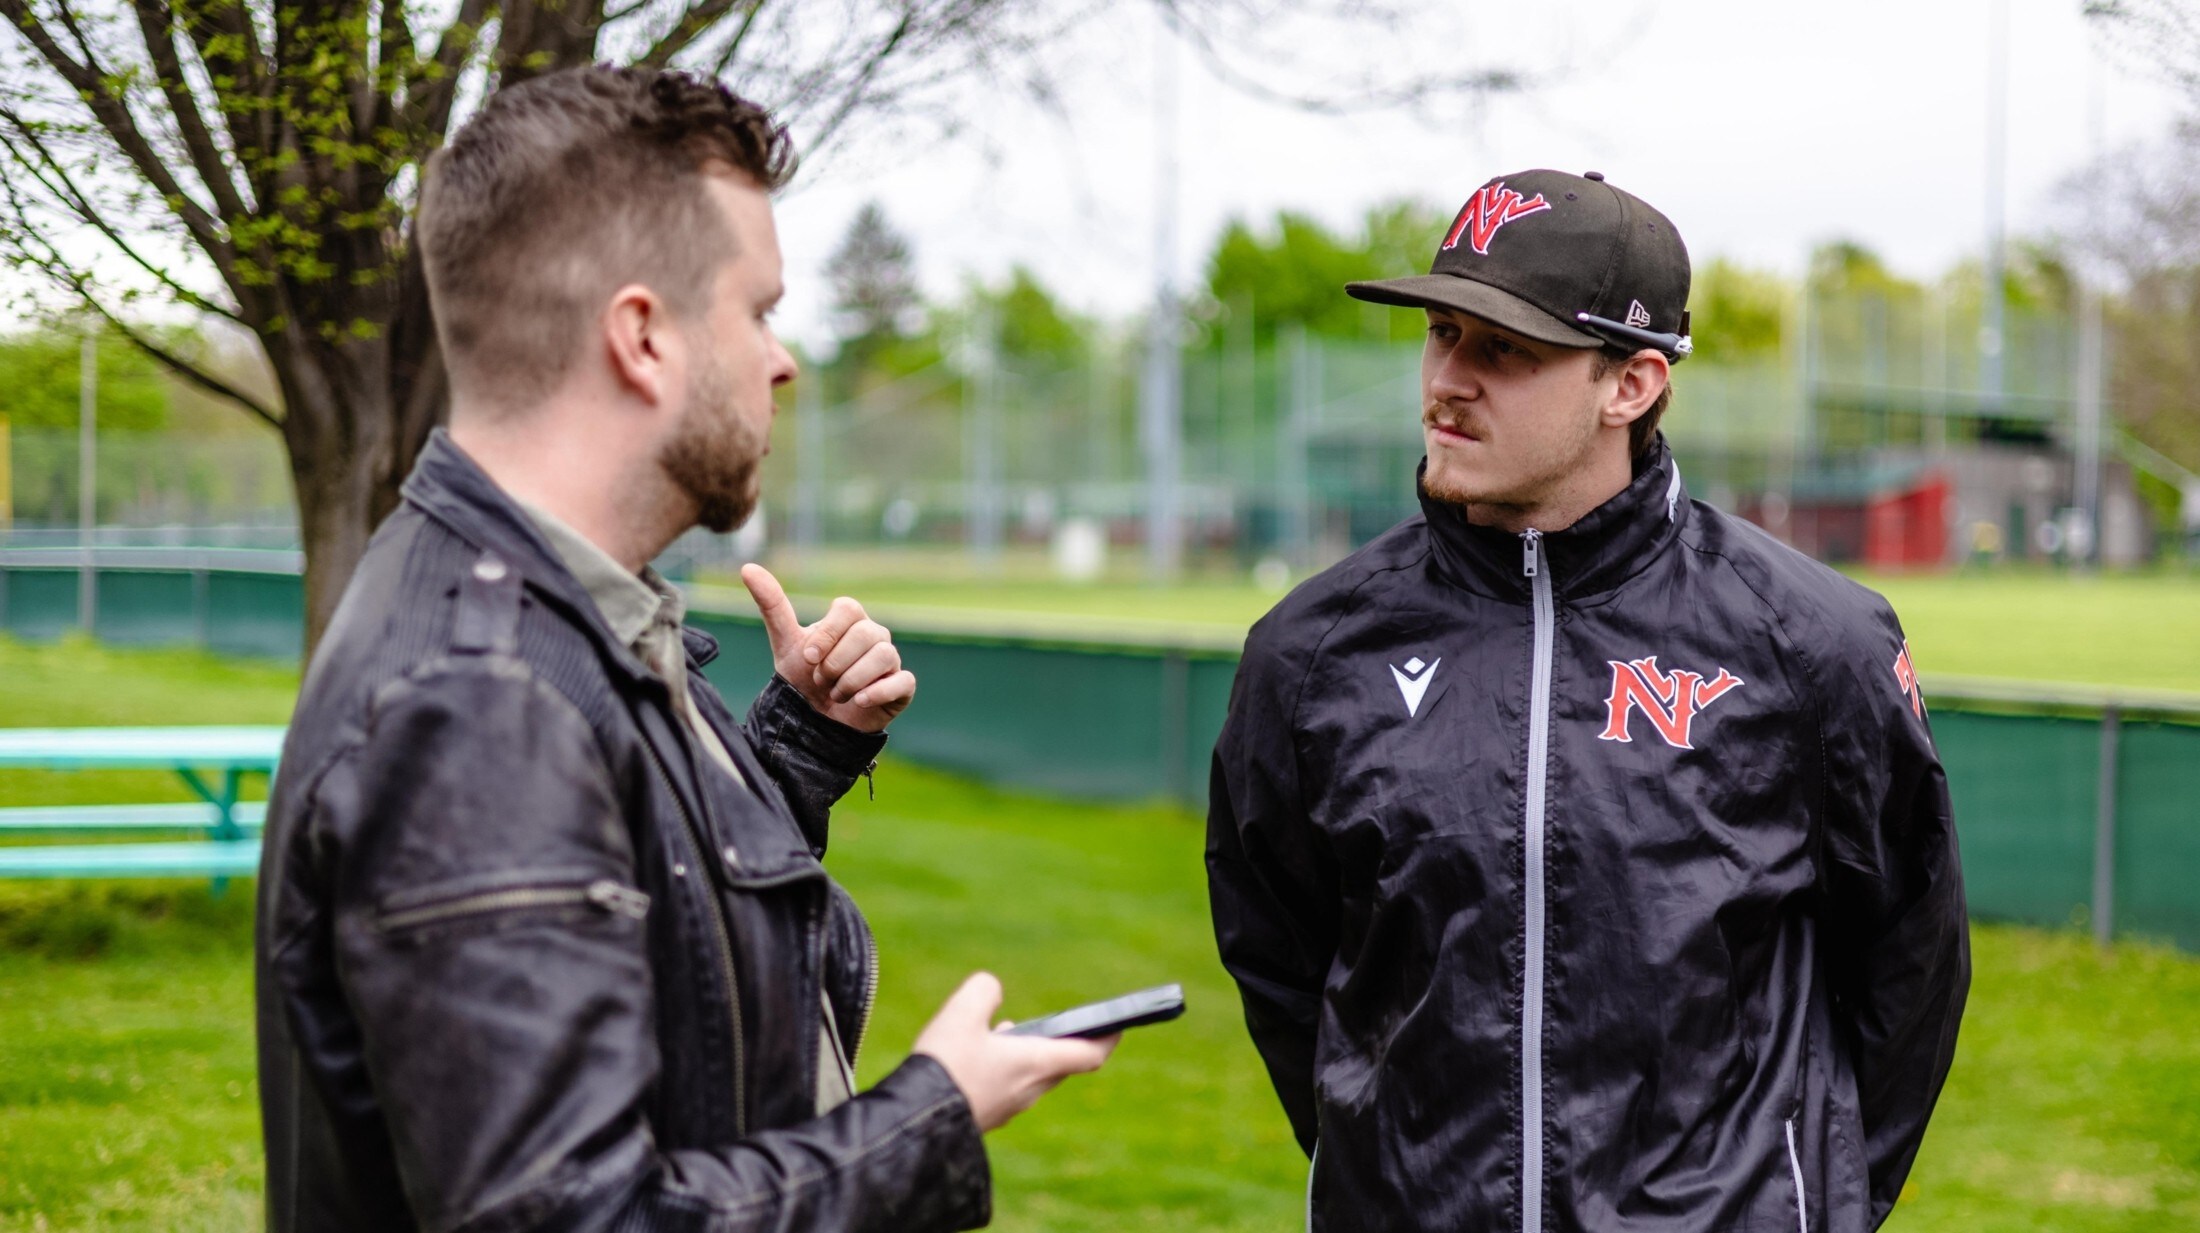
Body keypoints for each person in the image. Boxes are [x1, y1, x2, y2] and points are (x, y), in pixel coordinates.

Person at [254, 66, 1112, 1233]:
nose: (783, 360)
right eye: (757, 310)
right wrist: (930, 1118)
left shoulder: (571, 616)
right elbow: (573, 1218)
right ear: (643, 339)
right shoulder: (479, 696)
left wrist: (798, 752)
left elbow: (651, 947)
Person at [1206, 169, 1968, 1233]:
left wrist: (1808, 1208)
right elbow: (1283, 963)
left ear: (1632, 384)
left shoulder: (1810, 640)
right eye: (1440, 333)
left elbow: (1907, 962)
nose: (1448, 381)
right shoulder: (1310, 650)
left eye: (1504, 349)